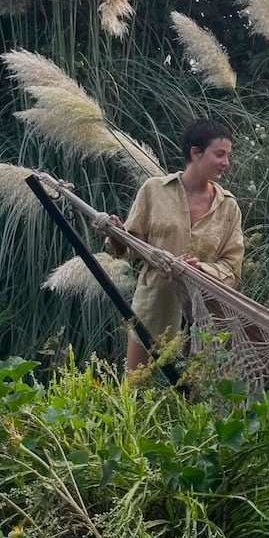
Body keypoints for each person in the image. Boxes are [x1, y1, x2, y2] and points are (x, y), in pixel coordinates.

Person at [101, 118, 244, 370]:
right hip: (154, 309)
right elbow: (128, 249)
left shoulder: (229, 206)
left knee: (194, 391)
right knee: (136, 384)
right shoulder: (154, 190)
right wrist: (116, 233)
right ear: (196, 153)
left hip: (204, 320)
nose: (226, 162)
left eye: (228, 156)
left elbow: (232, 269)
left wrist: (201, 269)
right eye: (220, 154)